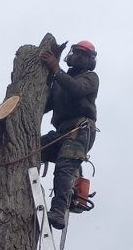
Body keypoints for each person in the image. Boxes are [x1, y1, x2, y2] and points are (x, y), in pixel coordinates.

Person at [39, 40, 98, 229]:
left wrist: (56, 70)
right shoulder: (58, 83)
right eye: (78, 52)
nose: (80, 57)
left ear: (90, 61)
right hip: (61, 132)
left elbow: (76, 89)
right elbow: (43, 105)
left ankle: (58, 211)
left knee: (64, 167)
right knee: (33, 147)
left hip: (80, 131)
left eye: (84, 55)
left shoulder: (90, 78)